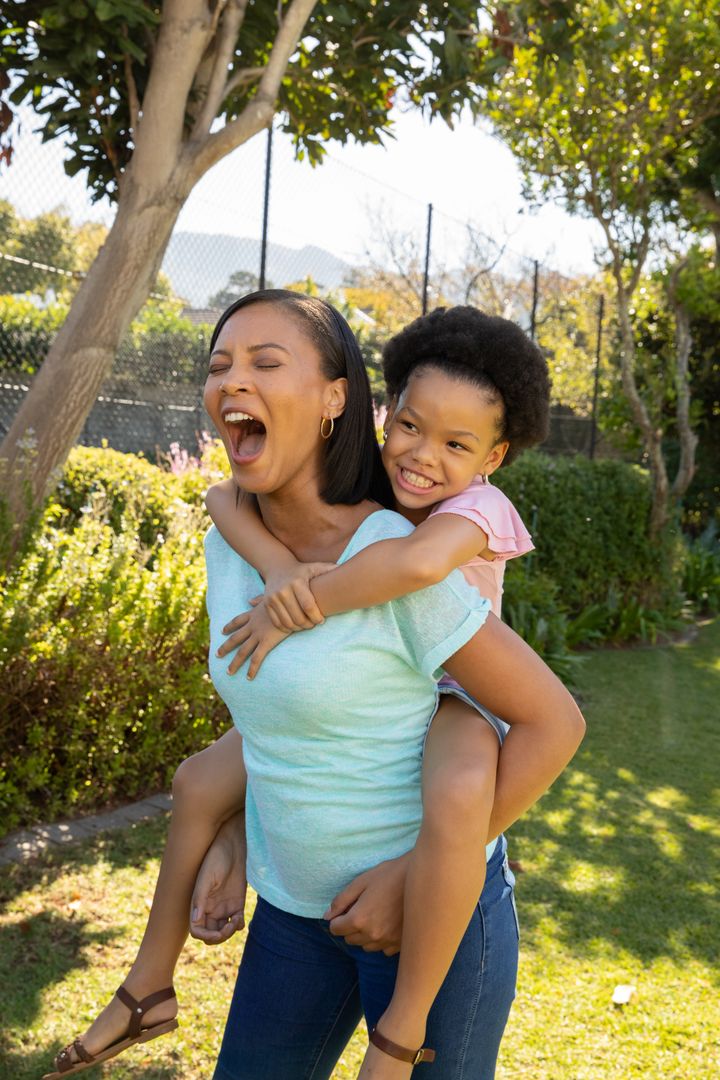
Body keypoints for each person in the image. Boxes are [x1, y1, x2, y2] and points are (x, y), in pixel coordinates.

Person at [45, 292, 583, 1080]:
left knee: (462, 778)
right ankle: (145, 988)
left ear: (337, 397)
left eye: (267, 363)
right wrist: (238, 830)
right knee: (199, 780)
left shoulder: (406, 549)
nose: (234, 381)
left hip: (432, 917)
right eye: (219, 363)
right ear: (389, 414)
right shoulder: (233, 540)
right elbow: (298, 719)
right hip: (293, 914)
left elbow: (550, 722)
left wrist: (416, 874)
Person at [204, 304, 550, 1078]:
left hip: (466, 699)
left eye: (456, 445)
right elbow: (223, 499)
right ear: (383, 412)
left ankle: (398, 1038)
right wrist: (276, 562)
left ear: (492, 456)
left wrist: (303, 599)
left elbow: (415, 569)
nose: (424, 456)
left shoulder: (469, 509)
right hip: (405, 723)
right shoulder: (388, 494)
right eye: (411, 427)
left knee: (461, 789)